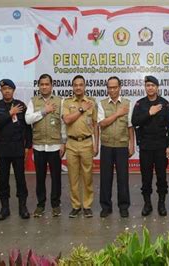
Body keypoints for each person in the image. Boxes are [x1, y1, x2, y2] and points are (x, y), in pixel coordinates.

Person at [132, 75, 169, 217]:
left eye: (152, 85)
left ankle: (161, 204)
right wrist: (149, 113)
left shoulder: (165, 103)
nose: (150, 88)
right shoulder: (140, 104)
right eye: (147, 85)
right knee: (146, 177)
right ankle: (147, 204)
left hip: (161, 146)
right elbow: (134, 121)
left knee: (162, 177)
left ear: (157, 87)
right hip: (146, 147)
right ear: (145, 87)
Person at [0, 79, 32, 220]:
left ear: (14, 90)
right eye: (4, 89)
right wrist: (10, 113)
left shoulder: (21, 105)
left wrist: (28, 146)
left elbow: (27, 128)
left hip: (18, 147)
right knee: (3, 179)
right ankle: (4, 208)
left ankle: (23, 207)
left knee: (21, 179)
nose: (7, 91)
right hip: (2, 148)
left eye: (9, 88)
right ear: (1, 91)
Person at [25, 73, 65, 218]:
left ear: (51, 85)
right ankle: (40, 205)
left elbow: (63, 124)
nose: (44, 87)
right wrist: (43, 111)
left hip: (55, 146)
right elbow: (28, 119)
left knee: (56, 178)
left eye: (47, 84)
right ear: (39, 86)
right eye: (41, 84)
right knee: (40, 178)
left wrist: (63, 142)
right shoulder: (33, 101)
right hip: (39, 146)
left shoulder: (60, 101)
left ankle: (55, 205)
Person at [97, 76, 135, 218]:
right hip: (106, 145)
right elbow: (102, 123)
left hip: (122, 145)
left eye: (115, 87)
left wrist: (132, 145)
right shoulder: (101, 104)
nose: (112, 90)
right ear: (107, 88)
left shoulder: (127, 103)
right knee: (105, 178)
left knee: (123, 178)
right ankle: (106, 207)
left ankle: (123, 206)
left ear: (120, 88)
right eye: (109, 87)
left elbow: (130, 127)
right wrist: (118, 113)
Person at [63, 75, 99, 218]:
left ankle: (87, 205)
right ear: (73, 87)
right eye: (75, 85)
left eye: (81, 85)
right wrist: (81, 110)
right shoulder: (67, 102)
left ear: (84, 87)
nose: (78, 87)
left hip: (87, 143)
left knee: (87, 176)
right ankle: (76, 206)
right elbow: (66, 120)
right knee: (73, 177)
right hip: (71, 144)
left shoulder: (92, 102)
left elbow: (95, 124)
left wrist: (96, 144)